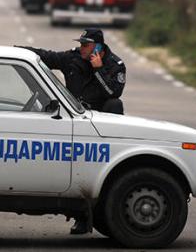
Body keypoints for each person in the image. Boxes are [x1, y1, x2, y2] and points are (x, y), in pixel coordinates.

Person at [18, 28, 126, 235]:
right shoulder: (73, 58)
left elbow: (113, 91)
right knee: (74, 171)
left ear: (99, 48)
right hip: (74, 119)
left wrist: (98, 70)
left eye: (86, 45)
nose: (82, 48)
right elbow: (47, 57)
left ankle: (91, 217)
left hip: (99, 127)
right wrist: (17, 51)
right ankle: (80, 218)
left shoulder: (115, 65)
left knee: (114, 105)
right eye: (81, 44)